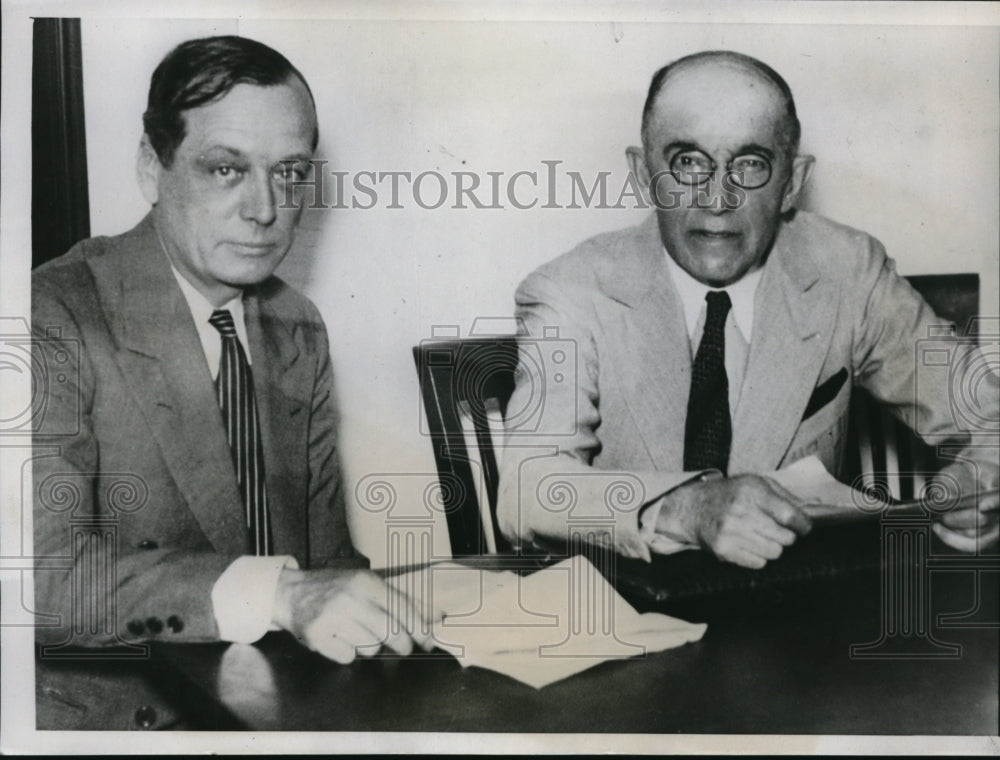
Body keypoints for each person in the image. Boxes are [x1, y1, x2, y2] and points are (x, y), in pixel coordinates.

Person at [32, 36, 429, 730]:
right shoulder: (50, 315)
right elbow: (42, 575)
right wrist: (280, 595)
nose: (266, 209)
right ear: (152, 169)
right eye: (225, 169)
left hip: (271, 706)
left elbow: (328, 561)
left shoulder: (294, 323)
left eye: (290, 172)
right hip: (122, 718)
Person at [497, 50, 999, 568]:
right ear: (643, 174)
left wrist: (981, 479)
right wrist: (683, 507)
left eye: (751, 164)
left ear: (793, 183)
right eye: (688, 162)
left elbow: (989, 414)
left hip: (801, 615)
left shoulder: (847, 270)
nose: (717, 197)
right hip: (628, 614)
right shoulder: (571, 290)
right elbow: (527, 487)